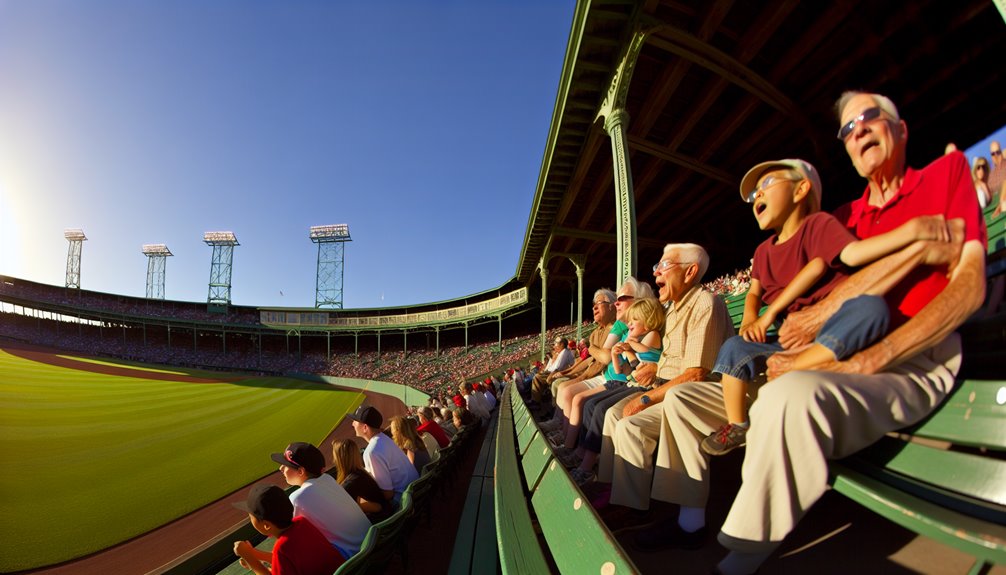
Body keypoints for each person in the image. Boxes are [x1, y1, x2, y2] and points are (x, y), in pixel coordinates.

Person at [651, 91, 983, 575]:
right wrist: (911, 252)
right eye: (847, 128)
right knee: (764, 390)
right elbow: (836, 284)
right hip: (838, 357)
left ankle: (737, 560)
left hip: (908, 355)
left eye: (871, 117)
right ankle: (701, 528)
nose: (858, 129)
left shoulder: (945, 174)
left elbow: (969, 282)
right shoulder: (847, 215)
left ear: (901, 128)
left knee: (785, 395)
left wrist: (870, 355)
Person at [702, 157, 951, 456]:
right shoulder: (763, 250)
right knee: (734, 347)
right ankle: (737, 424)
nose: (759, 195)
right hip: (787, 339)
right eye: (755, 193)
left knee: (870, 308)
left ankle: (805, 362)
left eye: (767, 184)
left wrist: (910, 232)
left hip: (829, 326)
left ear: (800, 189)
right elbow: (754, 293)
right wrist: (750, 317)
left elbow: (848, 255)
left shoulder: (818, 225)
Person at [591, 244, 732, 514]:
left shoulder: (705, 303)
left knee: (630, 425)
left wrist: (645, 399)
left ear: (690, 272)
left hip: (695, 395)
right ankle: (612, 490)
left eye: (664, 266)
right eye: (657, 267)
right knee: (614, 415)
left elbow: (696, 374)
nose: (656, 273)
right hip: (668, 387)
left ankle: (637, 508)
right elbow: (671, 359)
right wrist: (654, 370)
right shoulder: (673, 309)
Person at [567, 296, 664, 485]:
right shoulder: (634, 339)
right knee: (590, 404)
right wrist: (614, 354)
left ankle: (587, 467)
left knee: (601, 409)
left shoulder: (652, 334)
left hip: (645, 386)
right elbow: (623, 371)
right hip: (632, 382)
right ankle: (583, 453)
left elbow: (641, 356)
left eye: (634, 320)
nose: (630, 324)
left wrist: (629, 345)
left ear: (648, 321)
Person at [269, 442, 371, 558]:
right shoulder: (327, 479)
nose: (281, 468)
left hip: (355, 558)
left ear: (301, 471)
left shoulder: (298, 498)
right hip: (372, 542)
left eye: (286, 465)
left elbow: (293, 540)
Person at [232, 484, 344, 575]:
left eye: (251, 516)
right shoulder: (302, 523)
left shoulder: (281, 548)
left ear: (266, 525)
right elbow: (287, 560)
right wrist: (253, 554)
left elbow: (282, 556)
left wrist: (250, 559)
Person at [348, 405, 418, 504]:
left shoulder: (372, 451)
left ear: (365, 427)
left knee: (358, 503)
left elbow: (388, 494)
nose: (353, 424)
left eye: (355, 421)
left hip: (403, 501)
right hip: (414, 492)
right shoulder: (385, 439)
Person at [328, 438, 393, 523]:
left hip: (382, 521)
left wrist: (359, 506)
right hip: (387, 514)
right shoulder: (360, 473)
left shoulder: (351, 482)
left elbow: (377, 507)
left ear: (339, 459)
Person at [529, 336, 576, 402]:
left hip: (554, 373)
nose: (555, 345)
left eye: (556, 343)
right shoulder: (563, 352)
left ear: (562, 344)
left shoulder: (565, 352)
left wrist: (550, 376)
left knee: (537, 377)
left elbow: (558, 368)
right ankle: (538, 398)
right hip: (551, 371)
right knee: (537, 376)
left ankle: (535, 401)